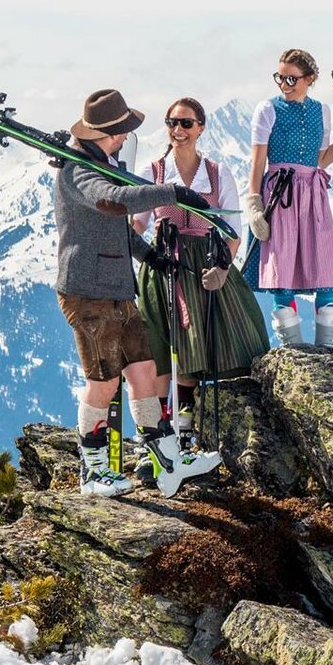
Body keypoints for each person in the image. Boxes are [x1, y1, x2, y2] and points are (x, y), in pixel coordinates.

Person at [53, 88, 212, 496]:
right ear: (104, 133)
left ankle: (165, 456)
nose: (126, 138)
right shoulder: (79, 172)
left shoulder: (102, 163)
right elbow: (114, 203)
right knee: (103, 380)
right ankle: (92, 468)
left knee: (142, 370)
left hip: (116, 288)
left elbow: (116, 230)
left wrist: (149, 256)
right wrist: (172, 192)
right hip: (87, 292)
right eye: (121, 131)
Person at [133, 98, 270, 446]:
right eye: (172, 123)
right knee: (161, 345)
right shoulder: (153, 172)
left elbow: (234, 230)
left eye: (186, 123)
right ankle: (160, 429)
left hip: (206, 263)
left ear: (200, 127)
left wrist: (223, 272)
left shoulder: (217, 172)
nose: (178, 130)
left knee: (199, 343)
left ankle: (186, 419)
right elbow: (138, 223)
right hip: (163, 262)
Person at [242, 48, 333, 347]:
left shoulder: (322, 111)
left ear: (310, 79)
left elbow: (321, 159)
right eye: (280, 78)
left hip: (312, 193)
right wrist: (254, 204)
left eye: (292, 79)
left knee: (323, 266)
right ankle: (295, 350)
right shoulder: (268, 109)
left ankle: (327, 351)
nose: (284, 85)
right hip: (279, 192)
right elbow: (258, 161)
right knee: (282, 270)